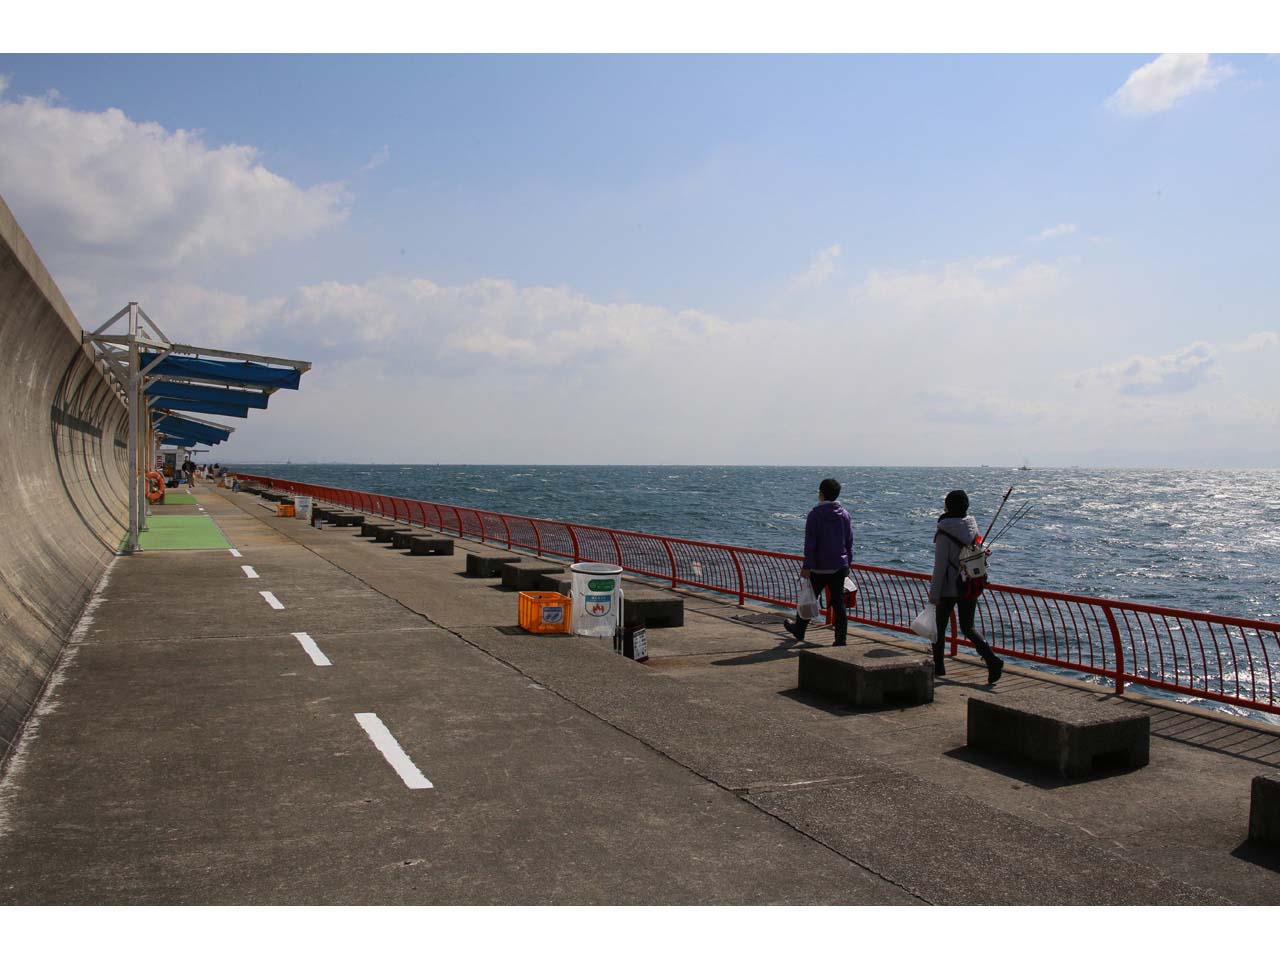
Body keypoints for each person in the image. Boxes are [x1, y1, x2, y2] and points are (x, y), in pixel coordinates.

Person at [930, 489, 1003, 684]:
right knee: (968, 627)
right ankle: (991, 659)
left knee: (938, 628)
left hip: (947, 588)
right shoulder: (972, 528)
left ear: (947, 506)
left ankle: (939, 668)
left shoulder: (944, 532)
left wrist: (934, 593)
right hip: (969, 584)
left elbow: (940, 567)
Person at [784, 477, 854, 646]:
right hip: (838, 566)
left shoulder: (814, 515)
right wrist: (847, 563)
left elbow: (810, 544)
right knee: (838, 604)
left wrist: (807, 566)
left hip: (818, 567)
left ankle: (800, 629)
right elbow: (849, 541)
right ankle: (840, 639)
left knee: (808, 598)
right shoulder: (844, 515)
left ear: (821, 494)